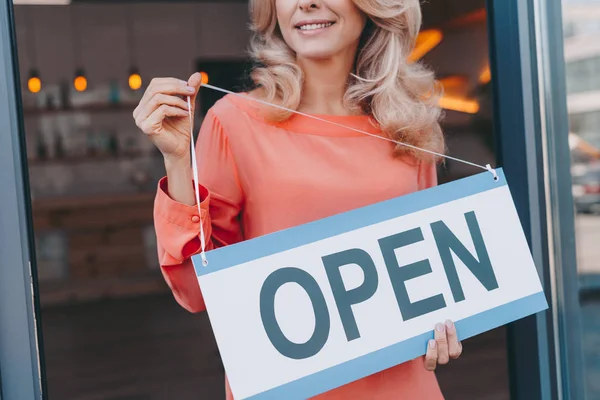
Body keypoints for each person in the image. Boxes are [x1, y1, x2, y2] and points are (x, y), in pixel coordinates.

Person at [133, 0, 462, 398]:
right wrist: (178, 161)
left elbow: (432, 284)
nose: (306, 2)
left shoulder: (408, 128)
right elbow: (197, 291)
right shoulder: (233, 121)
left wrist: (447, 328)